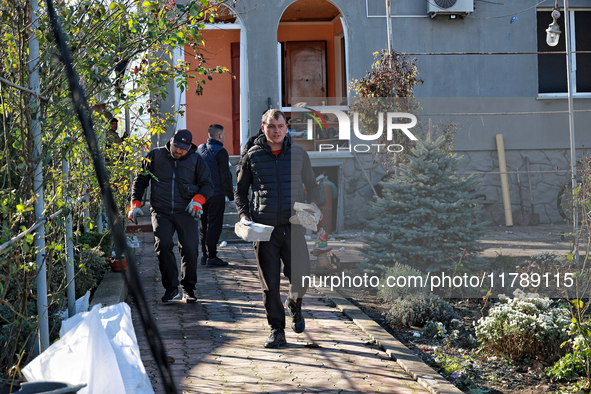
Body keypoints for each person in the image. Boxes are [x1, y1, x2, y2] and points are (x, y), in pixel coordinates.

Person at [235, 109, 321, 348]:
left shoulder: (299, 153)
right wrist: (244, 217)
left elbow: (313, 186)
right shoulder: (251, 156)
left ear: (286, 127)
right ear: (263, 128)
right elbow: (240, 192)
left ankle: (294, 304)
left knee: (301, 277)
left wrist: (313, 204)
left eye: (280, 126)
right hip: (264, 231)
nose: (276, 131)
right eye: (271, 126)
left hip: (293, 227)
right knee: (269, 284)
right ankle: (276, 330)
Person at [128, 129, 214, 303]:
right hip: (161, 211)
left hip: (187, 211)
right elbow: (140, 181)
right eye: (176, 146)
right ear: (171, 140)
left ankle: (188, 288)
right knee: (163, 244)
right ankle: (171, 288)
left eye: (183, 148)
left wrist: (198, 200)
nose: (178, 151)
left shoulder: (196, 159)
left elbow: (207, 185)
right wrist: (135, 204)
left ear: (189, 147)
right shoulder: (155, 156)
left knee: (190, 248)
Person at [197, 124, 235, 268]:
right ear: (219, 135)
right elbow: (226, 177)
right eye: (224, 134)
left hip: (201, 194)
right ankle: (212, 257)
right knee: (214, 226)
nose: (224, 136)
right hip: (216, 194)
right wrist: (231, 198)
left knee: (203, 225)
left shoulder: (200, 149)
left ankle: (204, 256)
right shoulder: (221, 151)